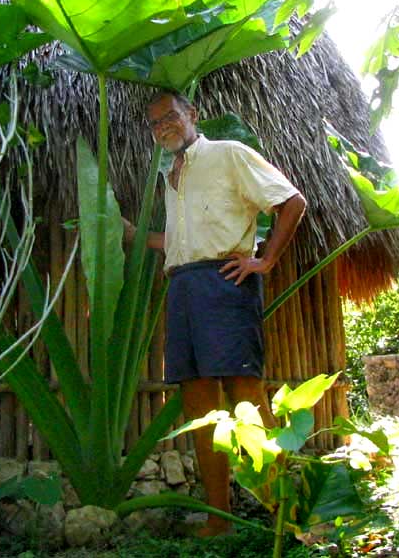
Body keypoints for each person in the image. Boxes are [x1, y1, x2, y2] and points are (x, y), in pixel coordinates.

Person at [124, 91, 306, 536]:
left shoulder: (228, 153)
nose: (163, 127)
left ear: (192, 116)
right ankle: (217, 519)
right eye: (155, 124)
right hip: (182, 286)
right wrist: (132, 234)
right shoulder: (172, 176)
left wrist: (264, 261)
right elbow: (179, 241)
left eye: (170, 117)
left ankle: (289, 514)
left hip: (226, 280)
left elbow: (291, 202)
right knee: (199, 403)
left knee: (246, 393)